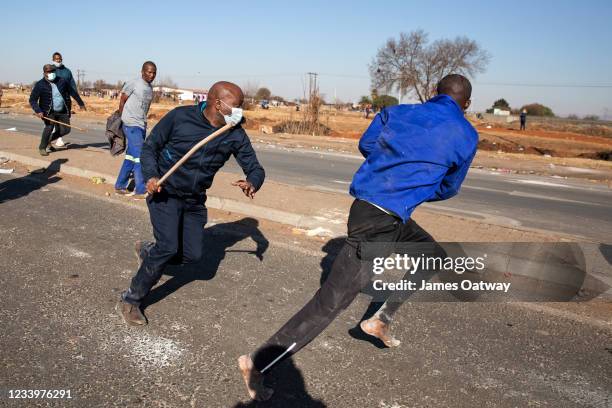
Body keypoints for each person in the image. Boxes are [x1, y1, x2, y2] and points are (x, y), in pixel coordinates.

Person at [238, 74, 479, 401]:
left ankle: (381, 319)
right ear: (465, 103)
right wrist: (415, 187)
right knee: (330, 303)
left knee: (431, 254)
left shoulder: (398, 112)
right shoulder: (466, 134)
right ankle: (258, 363)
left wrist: (389, 173)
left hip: (378, 212)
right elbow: (449, 187)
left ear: (436, 94)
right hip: (379, 222)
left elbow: (367, 145)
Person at [116, 81, 265, 326]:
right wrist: (151, 176)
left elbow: (254, 167)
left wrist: (253, 181)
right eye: (237, 106)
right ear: (218, 104)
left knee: (193, 256)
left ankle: (148, 252)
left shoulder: (234, 131)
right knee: (168, 247)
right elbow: (150, 147)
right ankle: (131, 299)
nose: (241, 111)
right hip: (165, 192)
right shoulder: (180, 117)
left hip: (195, 198)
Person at [114, 61, 157, 198]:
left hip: (141, 124)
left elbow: (145, 108)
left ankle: (120, 185)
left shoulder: (150, 88)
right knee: (141, 156)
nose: (152, 75)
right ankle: (140, 189)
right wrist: (122, 119)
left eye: (154, 72)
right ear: (142, 71)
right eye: (149, 72)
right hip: (131, 123)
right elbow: (122, 100)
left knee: (131, 157)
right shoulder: (134, 83)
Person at [29, 64, 85, 156]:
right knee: (49, 127)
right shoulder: (40, 85)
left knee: (66, 130)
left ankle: (48, 141)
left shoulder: (62, 81)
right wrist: (38, 110)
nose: (51, 73)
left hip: (62, 110)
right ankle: (42, 147)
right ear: (44, 73)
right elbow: (32, 99)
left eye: (52, 71)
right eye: (48, 72)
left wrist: (81, 103)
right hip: (47, 111)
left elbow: (72, 92)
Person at [51, 52, 86, 147]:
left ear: (61, 59)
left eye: (59, 59)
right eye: (56, 59)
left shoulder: (67, 71)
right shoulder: (50, 70)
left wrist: (79, 101)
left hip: (65, 100)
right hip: (53, 100)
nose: (58, 60)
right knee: (54, 120)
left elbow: (72, 86)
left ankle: (56, 138)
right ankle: (54, 139)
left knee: (65, 121)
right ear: (53, 60)